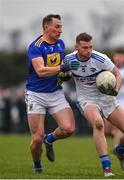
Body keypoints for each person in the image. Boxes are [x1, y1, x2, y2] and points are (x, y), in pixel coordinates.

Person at [64, 33, 124, 177]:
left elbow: (117, 75)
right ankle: (107, 167)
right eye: (85, 47)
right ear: (76, 47)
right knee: (98, 124)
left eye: (91, 47)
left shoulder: (100, 58)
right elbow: (65, 75)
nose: (89, 50)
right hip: (87, 99)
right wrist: (64, 77)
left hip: (107, 98)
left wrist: (115, 89)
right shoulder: (69, 59)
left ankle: (120, 151)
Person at [25, 14, 80, 173]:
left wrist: (66, 75)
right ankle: (37, 167)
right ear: (46, 27)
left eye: (61, 27)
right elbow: (41, 71)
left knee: (68, 129)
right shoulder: (36, 46)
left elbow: (61, 68)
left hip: (55, 93)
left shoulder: (61, 44)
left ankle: (49, 140)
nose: (60, 30)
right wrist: (61, 69)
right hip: (35, 94)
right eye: (57, 27)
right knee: (36, 138)